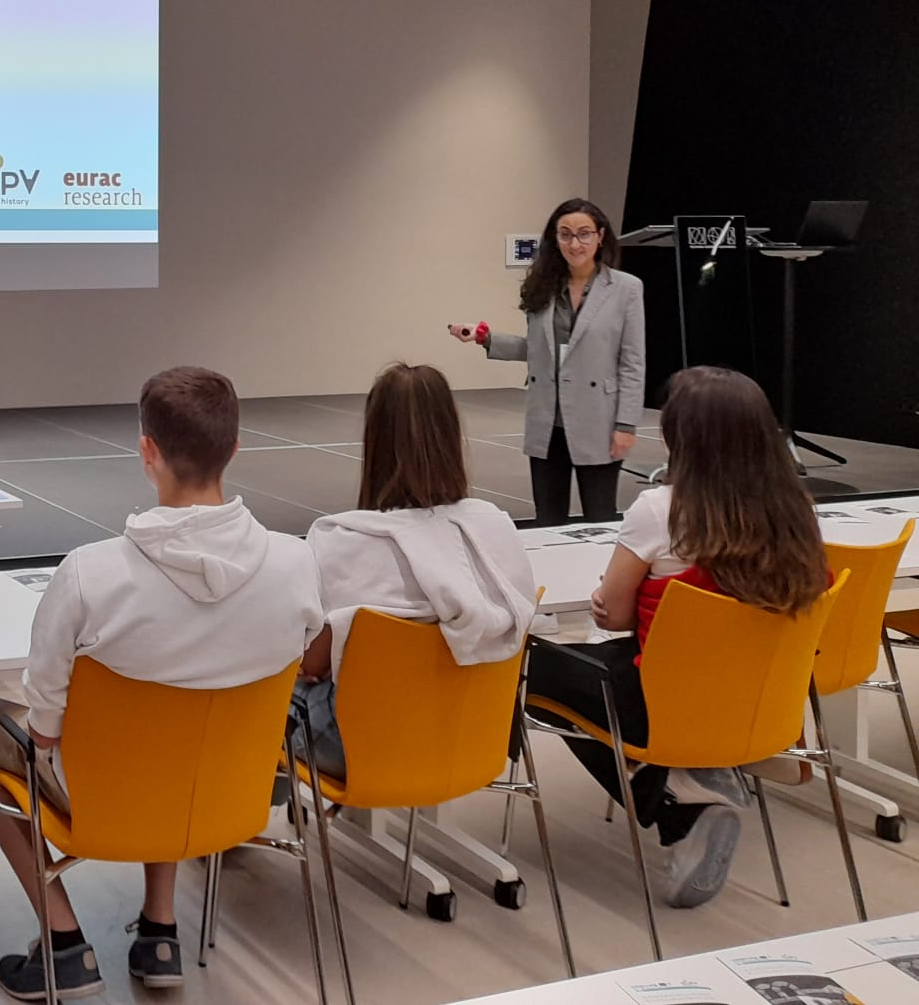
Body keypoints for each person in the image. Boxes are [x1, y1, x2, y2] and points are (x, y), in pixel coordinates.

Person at [0, 367, 323, 1001]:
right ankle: (160, 927)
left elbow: (43, 725)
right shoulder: (297, 564)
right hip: (228, 796)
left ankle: (63, 939)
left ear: (147, 451)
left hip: (108, 794)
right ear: (234, 448)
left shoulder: (90, 575)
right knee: (184, 719)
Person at [524, 367, 829, 909]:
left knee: (535, 668)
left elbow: (612, 616)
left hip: (667, 702)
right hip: (765, 699)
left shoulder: (660, 510)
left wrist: (611, 601)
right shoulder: (796, 511)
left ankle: (676, 797)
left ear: (682, 437)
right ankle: (702, 768)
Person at [292, 363, 538, 778]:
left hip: (363, 746)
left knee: (257, 691)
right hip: (474, 735)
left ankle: (228, 823)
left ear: (375, 439)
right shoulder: (494, 529)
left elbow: (313, 662)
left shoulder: (341, 540)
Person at [451, 197, 645, 526]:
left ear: (600, 236)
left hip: (598, 419)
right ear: (555, 239)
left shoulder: (626, 288)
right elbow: (538, 350)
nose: (575, 243)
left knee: (600, 519)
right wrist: (486, 338)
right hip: (547, 420)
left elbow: (632, 362)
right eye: (565, 234)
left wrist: (626, 425)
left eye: (584, 233)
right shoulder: (543, 286)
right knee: (547, 520)